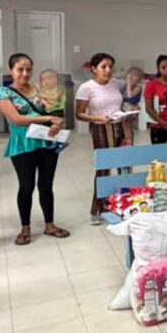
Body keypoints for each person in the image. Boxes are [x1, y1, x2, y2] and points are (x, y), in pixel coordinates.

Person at [0, 53, 69, 245]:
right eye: (20, 69)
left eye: (28, 69)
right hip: (23, 144)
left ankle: (50, 225)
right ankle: (25, 228)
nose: (25, 73)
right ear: (11, 70)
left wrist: (56, 123)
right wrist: (48, 119)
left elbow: (54, 112)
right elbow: (16, 119)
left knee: (46, 185)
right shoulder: (3, 93)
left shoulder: (38, 89)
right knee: (26, 186)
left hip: (46, 142)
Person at [75, 52, 125, 224]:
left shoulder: (116, 83)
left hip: (119, 126)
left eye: (110, 66)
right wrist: (98, 118)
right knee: (104, 168)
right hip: (100, 128)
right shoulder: (87, 87)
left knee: (123, 166)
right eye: (103, 67)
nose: (108, 70)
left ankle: (120, 204)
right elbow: (79, 114)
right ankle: (98, 209)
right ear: (94, 69)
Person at [119, 66, 144, 147]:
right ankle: (127, 138)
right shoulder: (125, 85)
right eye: (130, 76)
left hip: (131, 107)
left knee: (126, 123)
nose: (131, 79)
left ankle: (128, 139)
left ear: (139, 79)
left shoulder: (138, 87)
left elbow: (129, 95)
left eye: (134, 77)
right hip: (124, 107)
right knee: (124, 124)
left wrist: (129, 84)